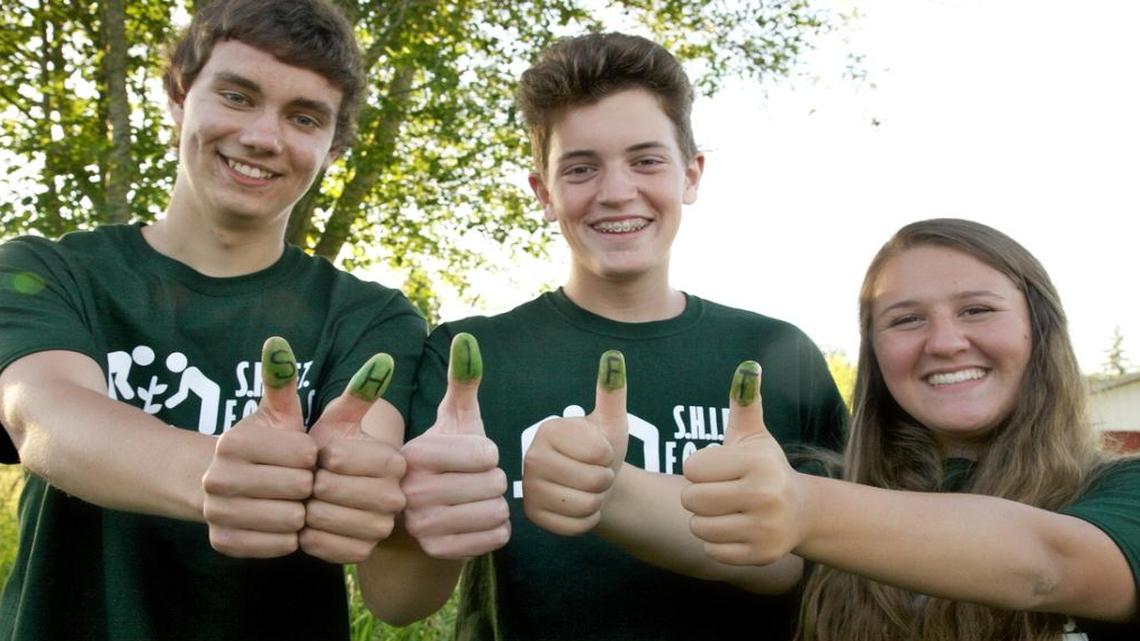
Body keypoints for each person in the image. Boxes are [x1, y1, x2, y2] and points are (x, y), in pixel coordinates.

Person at [362, 32, 846, 640]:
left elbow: (843, 578)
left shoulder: (781, 356)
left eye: (646, 160)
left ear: (691, 175)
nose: (616, 191)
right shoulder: (466, 359)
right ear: (543, 193)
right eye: (581, 167)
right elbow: (396, 603)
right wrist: (424, 523)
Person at [0, 1, 426, 640]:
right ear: (178, 96)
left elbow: (367, 462)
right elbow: (43, 412)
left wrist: (366, 492)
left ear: (333, 148)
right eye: (237, 95)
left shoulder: (373, 317)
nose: (262, 136)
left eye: (303, 117)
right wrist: (214, 475)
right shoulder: (46, 271)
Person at [681, 218, 1140, 640]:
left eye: (977, 310)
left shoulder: (1125, 490)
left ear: (1041, 329)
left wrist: (800, 509)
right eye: (906, 320)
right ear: (875, 354)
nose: (944, 343)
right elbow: (688, 516)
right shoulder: (832, 485)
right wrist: (610, 478)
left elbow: (1048, 566)